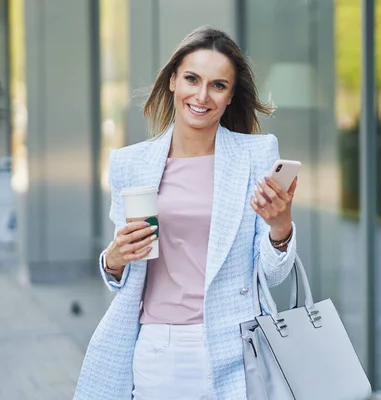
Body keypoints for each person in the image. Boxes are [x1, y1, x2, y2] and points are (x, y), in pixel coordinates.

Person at [74, 26, 298, 400]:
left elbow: (273, 276)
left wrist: (280, 226)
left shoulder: (256, 156)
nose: (202, 95)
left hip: (238, 347)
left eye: (218, 85)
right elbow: (123, 270)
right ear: (173, 81)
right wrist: (113, 259)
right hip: (160, 347)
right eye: (192, 79)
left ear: (230, 97)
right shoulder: (131, 163)